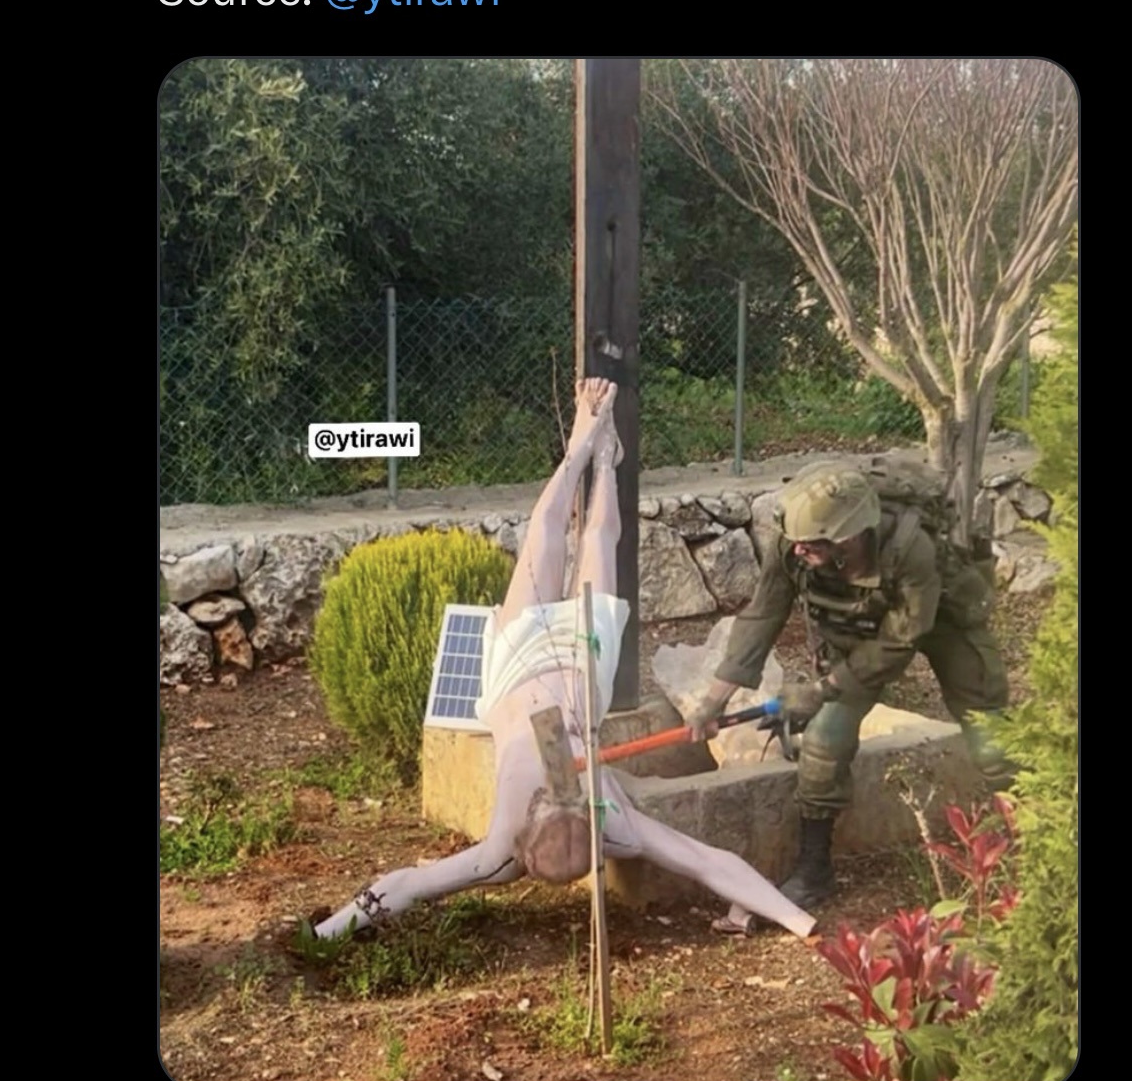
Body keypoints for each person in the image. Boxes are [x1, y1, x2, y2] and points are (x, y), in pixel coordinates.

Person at [314, 378, 817, 944]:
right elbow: (710, 863)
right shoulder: (602, 831)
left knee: (549, 535)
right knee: (594, 538)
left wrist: (328, 931)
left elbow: (407, 884)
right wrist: (802, 924)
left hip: (515, 668)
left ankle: (589, 451)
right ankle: (597, 456)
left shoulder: (521, 847)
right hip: (580, 666)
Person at [690, 461, 1012, 913]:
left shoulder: (910, 547)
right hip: (859, 634)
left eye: (812, 543)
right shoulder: (793, 545)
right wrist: (713, 701)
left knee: (987, 728)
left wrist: (821, 688)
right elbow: (762, 615)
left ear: (849, 536)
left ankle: (1028, 835)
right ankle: (815, 870)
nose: (799, 549)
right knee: (825, 738)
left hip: (941, 621)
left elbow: (901, 639)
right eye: (797, 540)